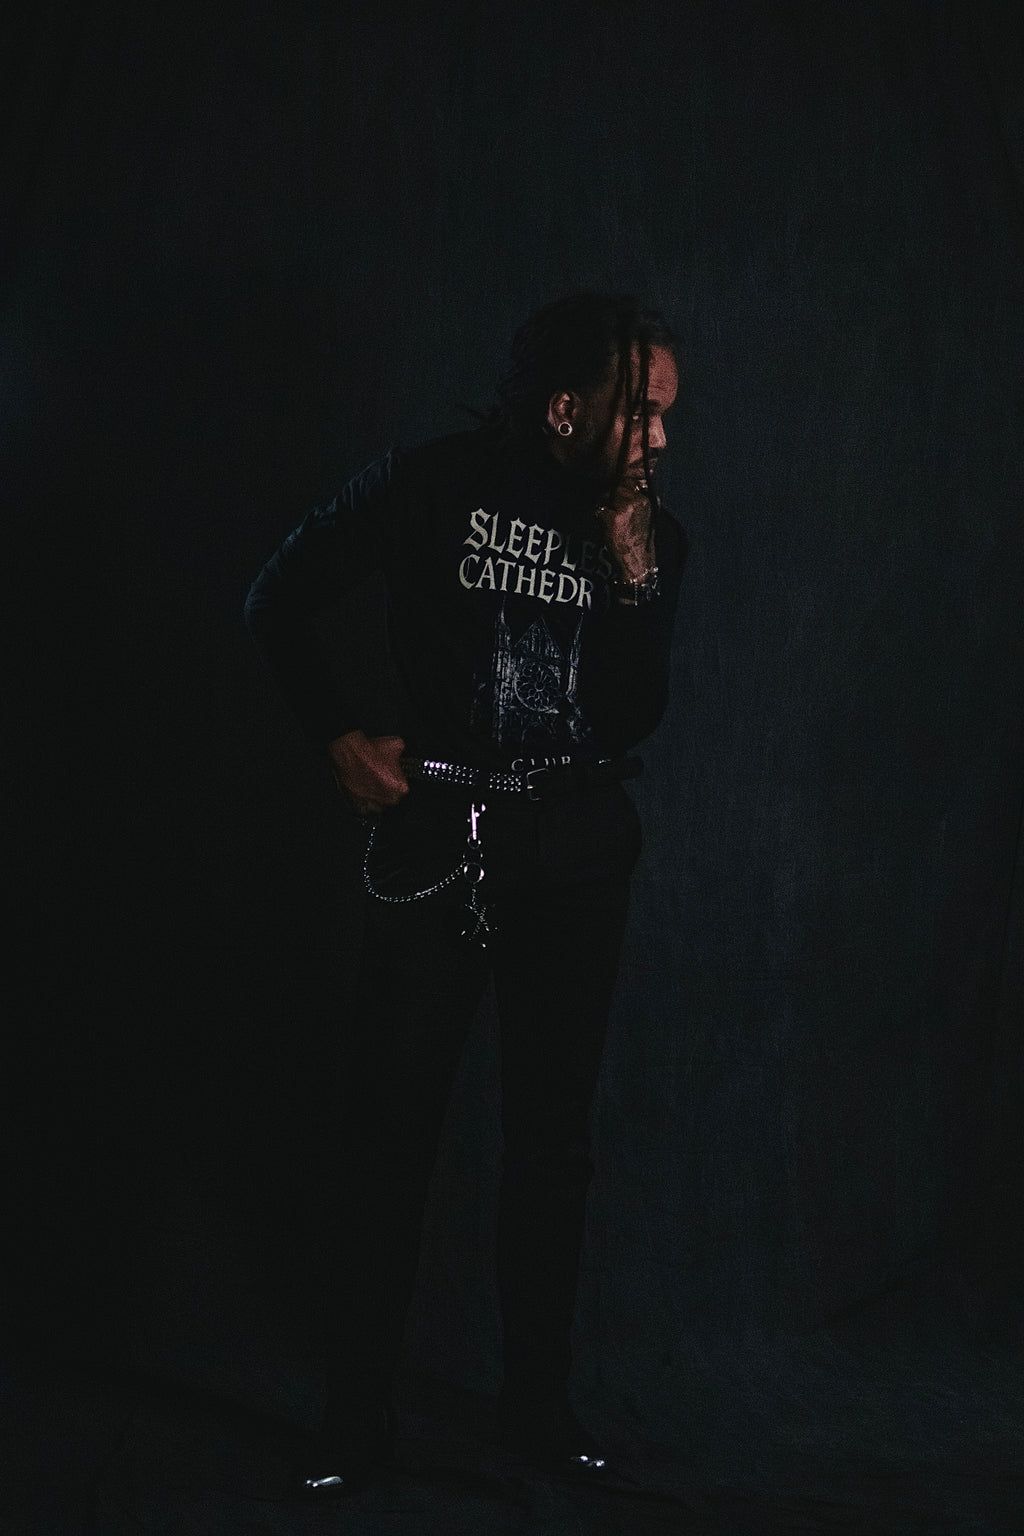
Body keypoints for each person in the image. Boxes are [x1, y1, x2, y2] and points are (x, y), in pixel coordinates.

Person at [245, 292, 684, 1496]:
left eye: (663, 420)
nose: (658, 440)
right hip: (442, 842)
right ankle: (354, 1424)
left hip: (577, 860)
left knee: (554, 1151)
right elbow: (274, 595)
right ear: (566, 406)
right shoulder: (429, 486)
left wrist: (640, 583)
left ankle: (536, 1414)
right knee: (387, 1138)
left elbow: (640, 710)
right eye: (642, 414)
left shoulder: (644, 531)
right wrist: (338, 735)